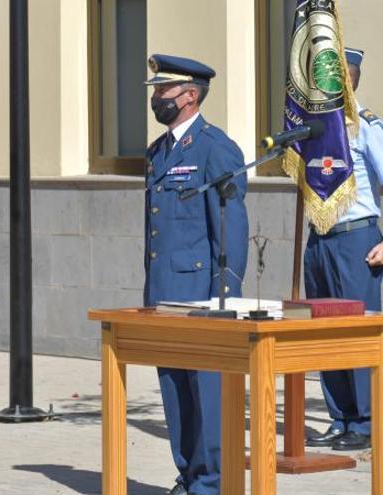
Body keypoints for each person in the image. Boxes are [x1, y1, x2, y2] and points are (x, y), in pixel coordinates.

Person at [143, 54, 249, 495]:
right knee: (174, 393)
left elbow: (231, 228)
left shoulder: (215, 147)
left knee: (206, 394)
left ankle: (213, 483)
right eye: (155, 89)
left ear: (190, 95)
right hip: (164, 293)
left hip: (201, 298)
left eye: (163, 89)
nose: (156, 97)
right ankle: (188, 476)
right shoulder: (158, 151)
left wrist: (223, 297)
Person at [304, 47, 383, 451]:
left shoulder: (365, 126)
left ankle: (367, 423)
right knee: (323, 332)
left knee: (355, 332)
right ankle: (340, 418)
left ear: (347, 79)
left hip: (357, 239)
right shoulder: (313, 128)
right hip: (320, 239)